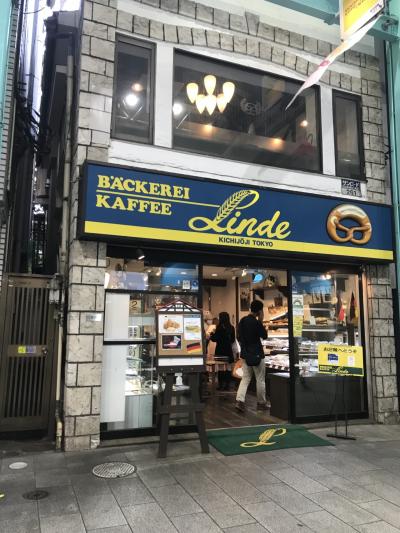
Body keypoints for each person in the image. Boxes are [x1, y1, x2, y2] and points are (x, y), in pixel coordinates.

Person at [236, 300, 268, 412]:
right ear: (259, 311)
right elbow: (264, 335)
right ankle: (261, 403)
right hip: (257, 354)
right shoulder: (256, 322)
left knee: (245, 378)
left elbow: (238, 336)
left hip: (245, 354)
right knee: (260, 379)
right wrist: (261, 321)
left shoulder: (243, 320)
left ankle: (239, 401)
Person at [210, 312, 236, 391]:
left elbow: (214, 339)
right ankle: (227, 385)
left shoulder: (219, 328)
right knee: (228, 368)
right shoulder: (231, 327)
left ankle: (221, 385)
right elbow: (233, 340)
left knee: (221, 368)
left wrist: (212, 334)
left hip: (220, 350)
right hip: (228, 350)